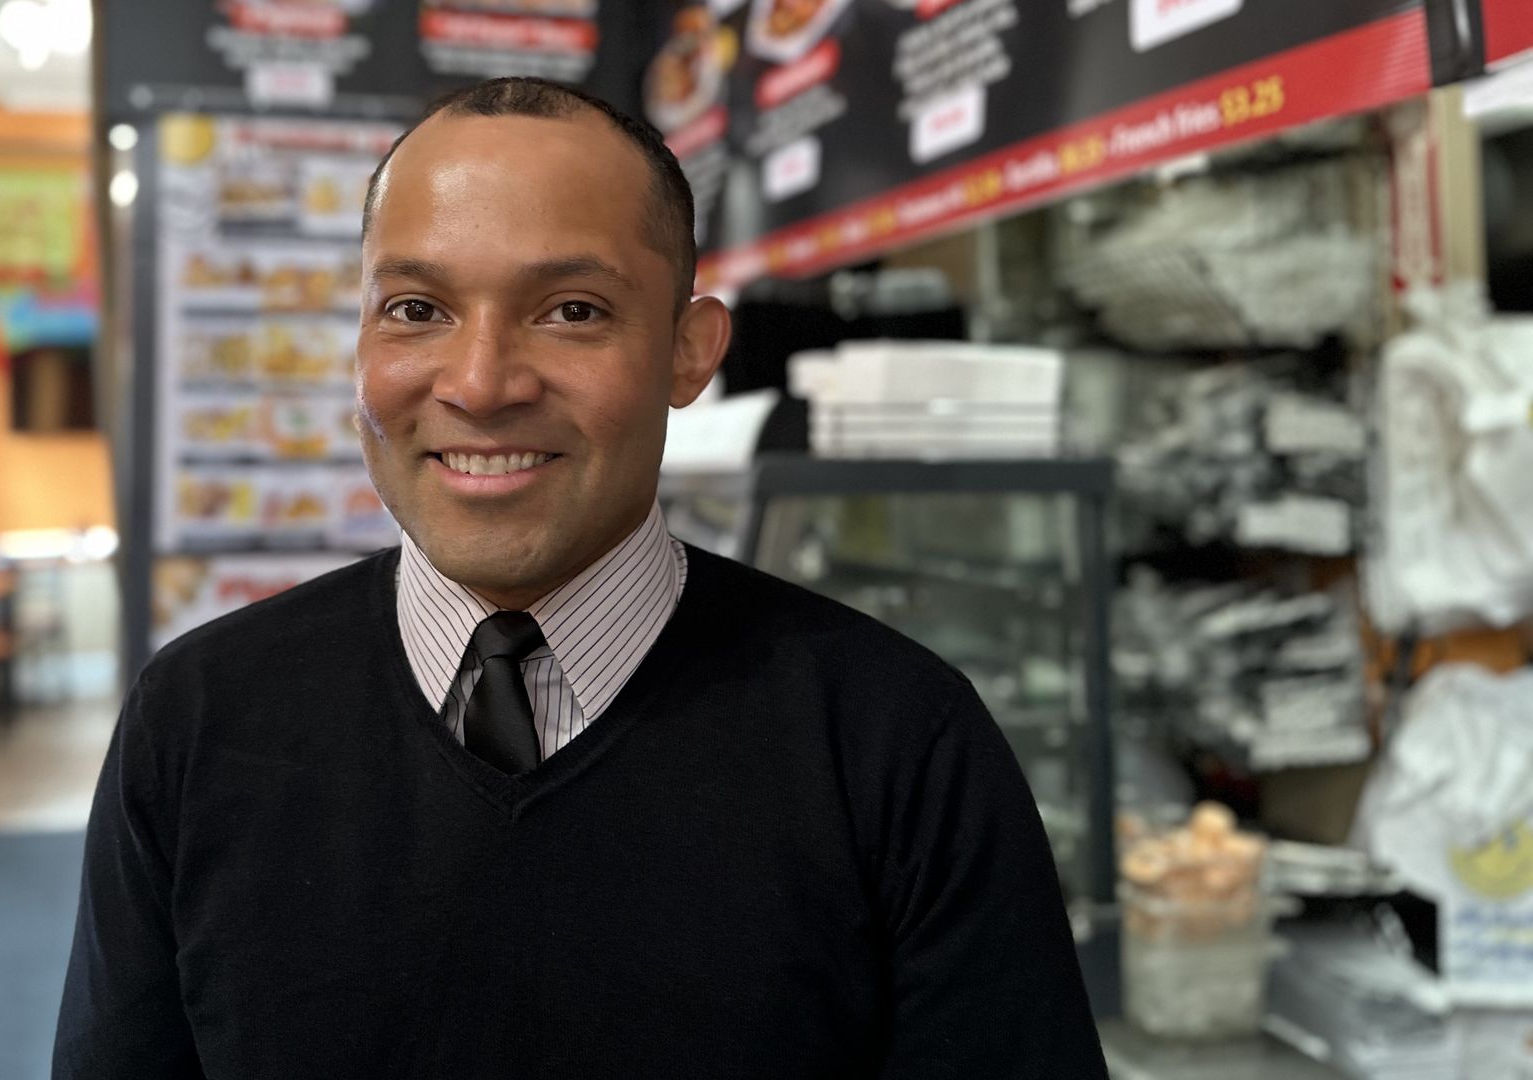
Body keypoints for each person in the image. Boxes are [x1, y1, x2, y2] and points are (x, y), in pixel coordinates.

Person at [54, 77, 1107, 1079]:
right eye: (417, 309)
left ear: (690, 352)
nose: (480, 384)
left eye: (572, 311)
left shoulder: (896, 743)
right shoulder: (197, 719)